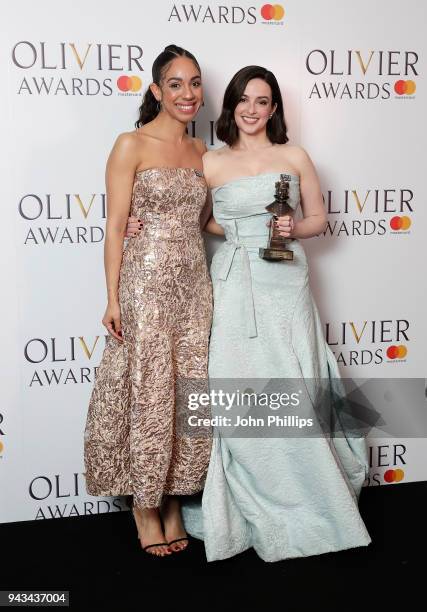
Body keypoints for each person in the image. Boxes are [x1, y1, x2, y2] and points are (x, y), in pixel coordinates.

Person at [126, 65, 371, 562]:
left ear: (274, 108)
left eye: (263, 101)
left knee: (293, 373)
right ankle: (248, 486)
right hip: (234, 280)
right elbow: (193, 214)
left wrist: (292, 228)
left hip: (286, 279)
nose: (252, 109)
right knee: (235, 376)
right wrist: (140, 223)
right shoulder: (210, 162)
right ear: (232, 105)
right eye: (244, 99)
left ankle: (308, 489)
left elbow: (319, 218)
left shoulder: (294, 155)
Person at [83, 45, 213, 557]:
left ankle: (175, 499)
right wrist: (112, 297)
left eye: (195, 83)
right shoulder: (130, 144)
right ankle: (143, 504)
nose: (188, 94)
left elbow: (205, 223)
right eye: (176, 84)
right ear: (157, 90)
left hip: (194, 286)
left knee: (186, 393)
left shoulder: (204, 154)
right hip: (146, 284)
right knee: (149, 391)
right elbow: (115, 225)